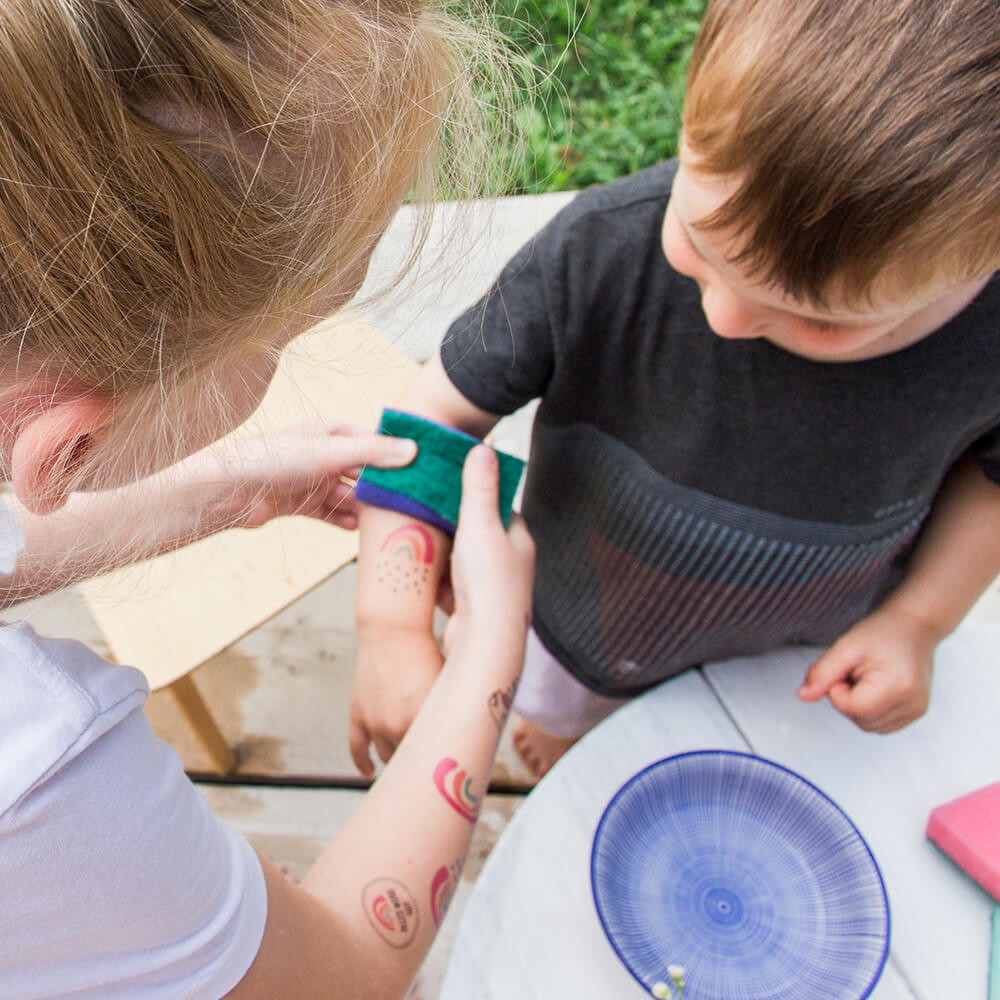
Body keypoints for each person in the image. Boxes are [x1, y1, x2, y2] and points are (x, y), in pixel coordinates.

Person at [0, 2, 534, 998]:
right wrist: (489, 655)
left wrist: (225, 490)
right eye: (283, 333)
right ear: (67, 443)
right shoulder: (33, 786)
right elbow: (339, 973)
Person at [349, 0, 1000, 781]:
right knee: (564, 712)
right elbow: (430, 423)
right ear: (691, 126)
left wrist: (919, 622)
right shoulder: (598, 254)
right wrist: (390, 626)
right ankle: (568, 729)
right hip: (583, 613)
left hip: (801, 650)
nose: (724, 316)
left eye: (819, 320)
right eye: (696, 239)